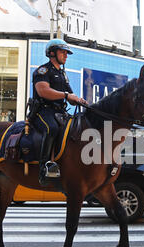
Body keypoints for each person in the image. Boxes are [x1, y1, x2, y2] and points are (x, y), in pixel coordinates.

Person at [32, 38, 87, 185]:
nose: (66, 55)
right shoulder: (42, 70)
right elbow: (43, 91)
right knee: (52, 128)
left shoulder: (63, 74)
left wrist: (80, 101)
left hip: (60, 112)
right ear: (52, 53)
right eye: (62, 52)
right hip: (43, 111)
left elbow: (70, 97)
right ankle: (44, 167)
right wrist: (66, 95)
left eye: (66, 53)